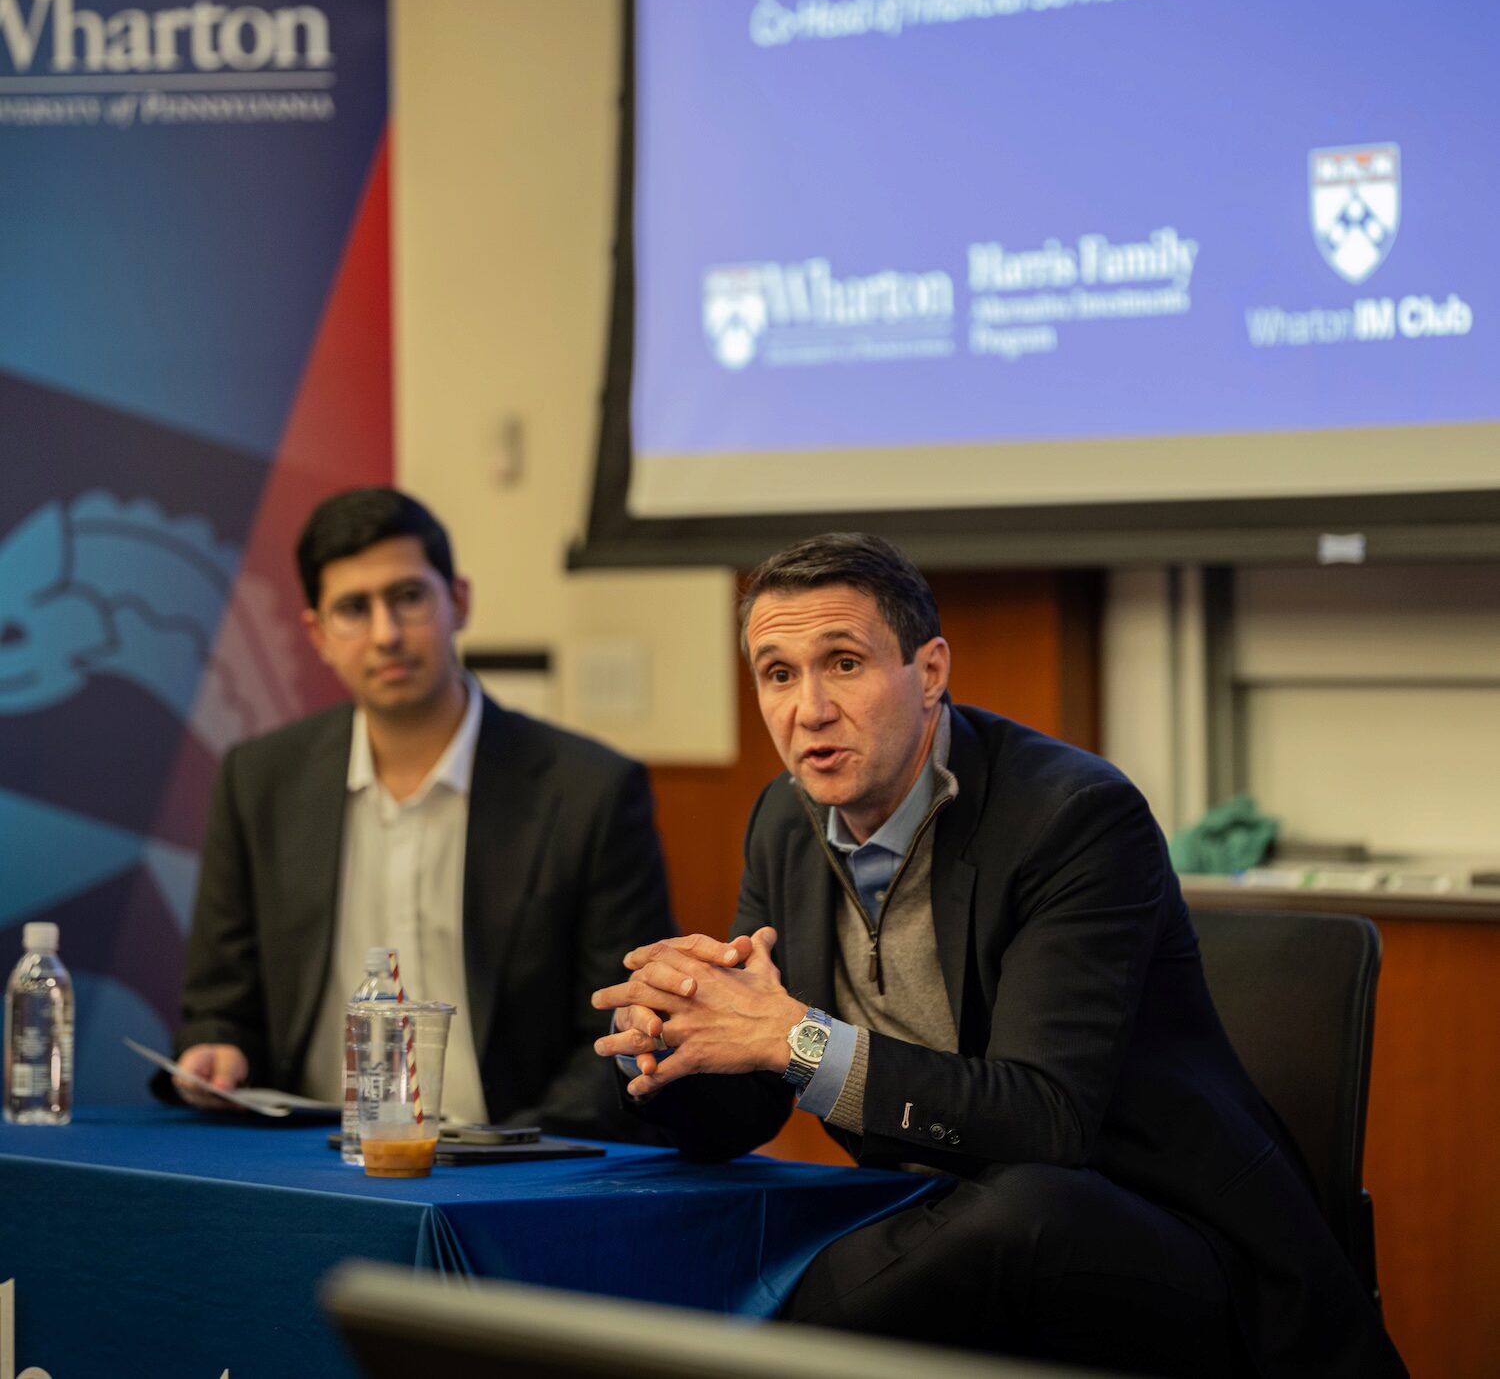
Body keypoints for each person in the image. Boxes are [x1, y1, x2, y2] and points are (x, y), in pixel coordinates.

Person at [593, 533, 1404, 1376]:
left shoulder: (1074, 817)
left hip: (1164, 1242)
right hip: (944, 1222)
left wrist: (793, 1037)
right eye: (779, 673)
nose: (809, 710)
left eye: (843, 663)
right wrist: (672, 1048)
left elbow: (1045, 1121)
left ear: (931, 671)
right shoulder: (785, 820)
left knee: (1021, 1211)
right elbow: (758, 1097)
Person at [168, 487, 673, 1138]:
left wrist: (506, 1151)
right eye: (354, 609)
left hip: (518, 1165)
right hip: (308, 1165)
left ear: (457, 601)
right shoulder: (259, 780)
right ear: (318, 635)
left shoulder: (590, 793)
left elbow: (624, 1032)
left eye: (408, 597)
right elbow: (219, 1003)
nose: (387, 633)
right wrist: (219, 1048)